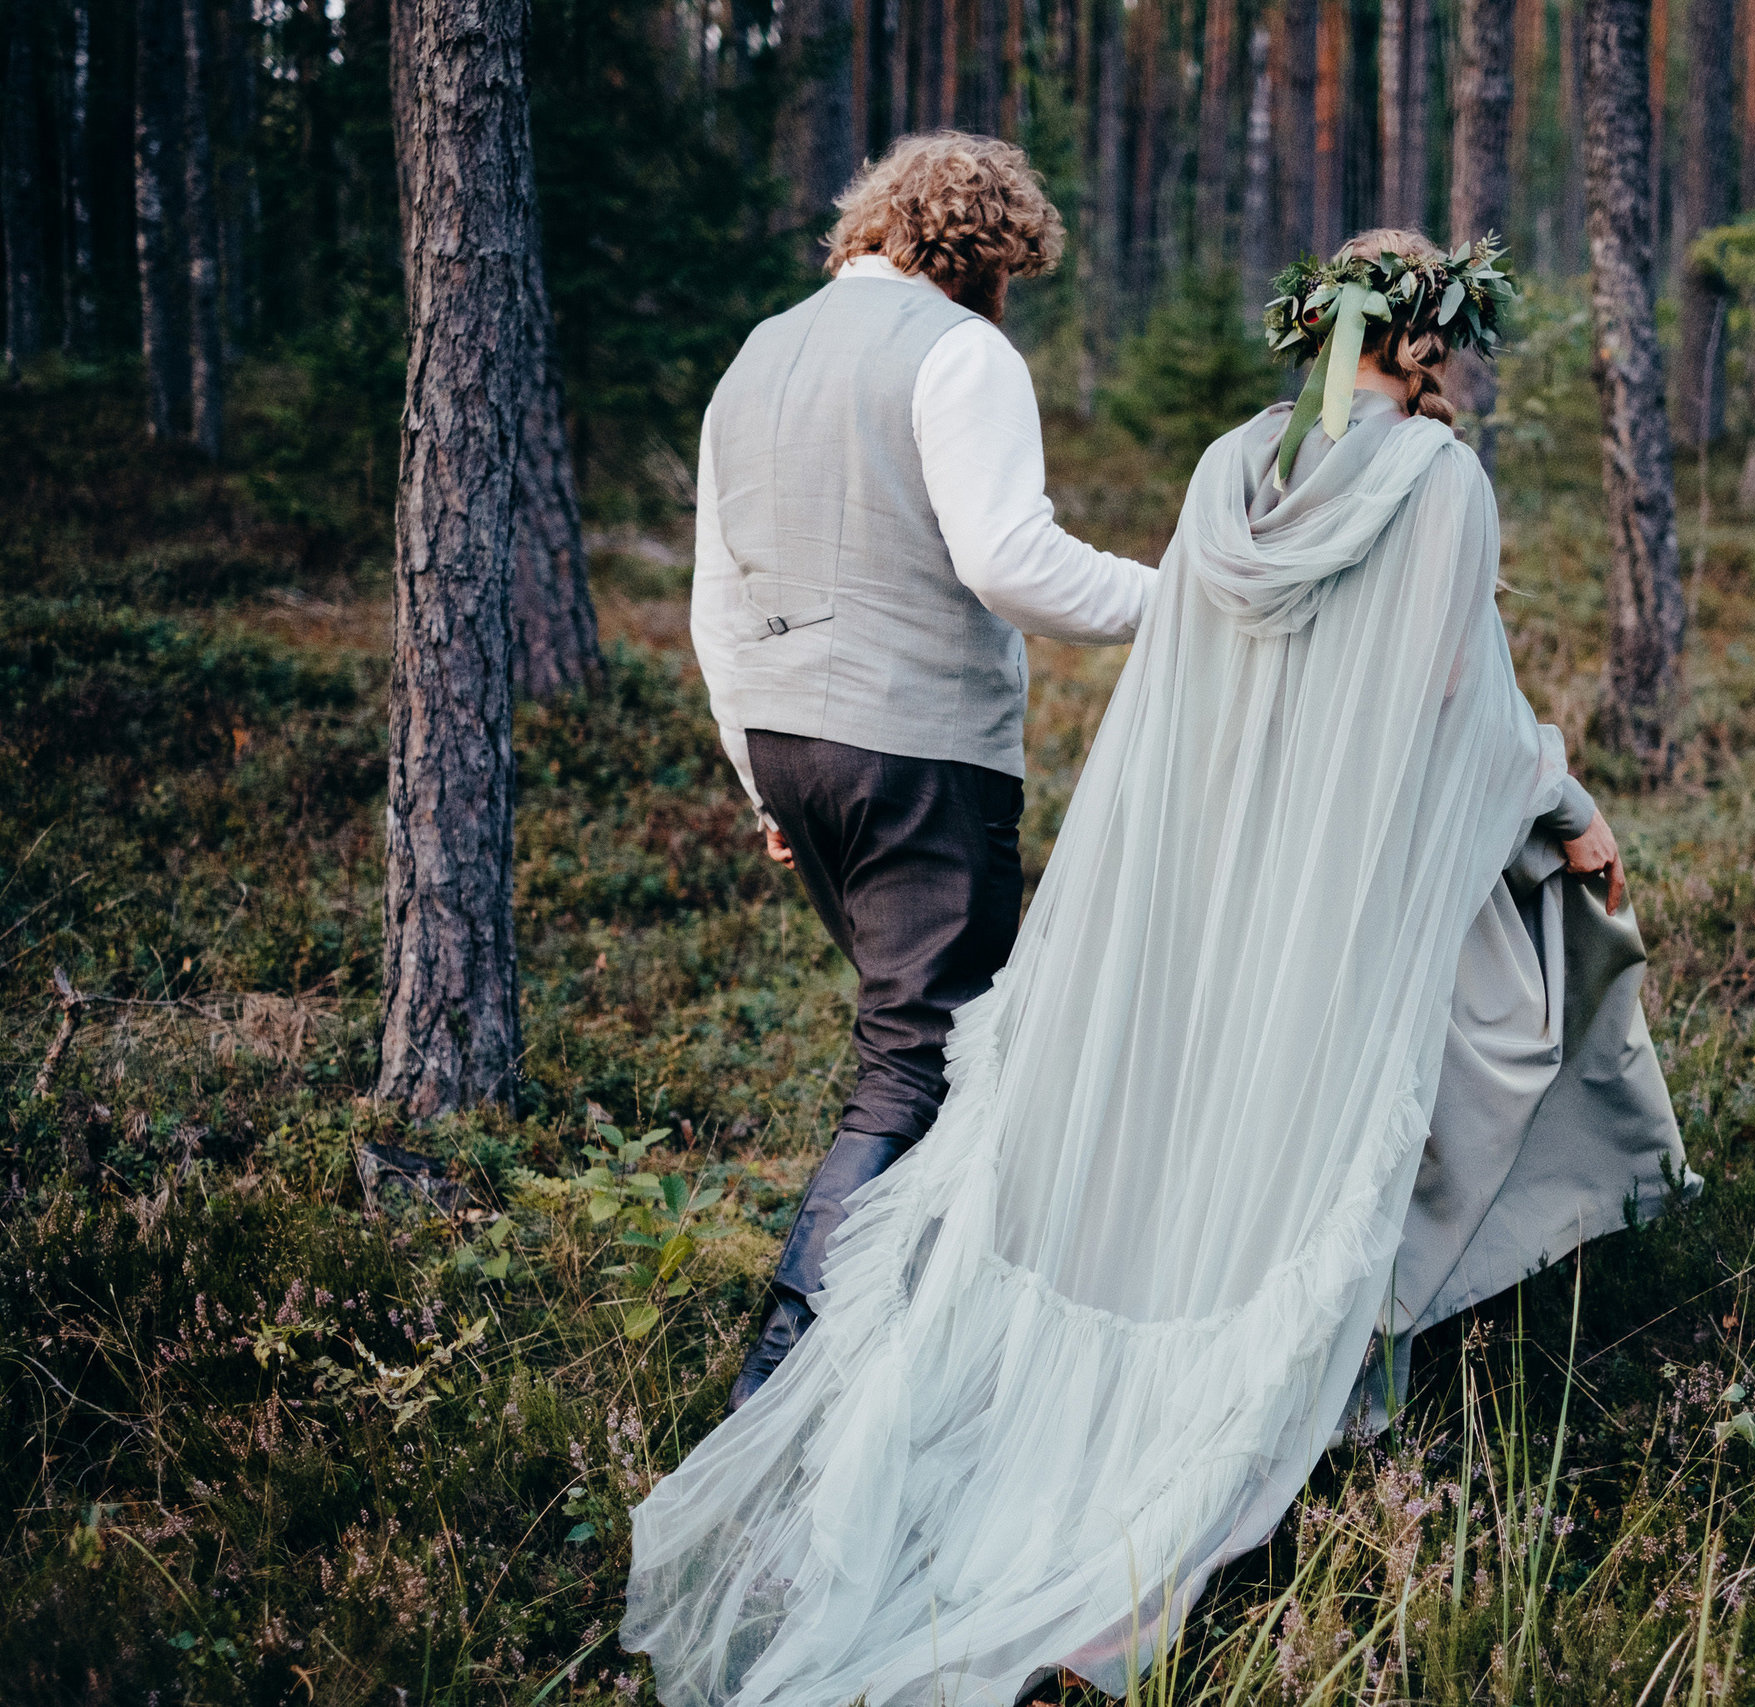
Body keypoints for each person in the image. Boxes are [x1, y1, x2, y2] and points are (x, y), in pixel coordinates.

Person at [629, 227, 1686, 1707]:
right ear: (1421, 339)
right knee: (1440, 1046)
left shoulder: (1223, 473)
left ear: (1310, 324)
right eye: (1446, 341)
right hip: (1349, 857)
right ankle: (1345, 1375)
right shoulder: (1441, 481)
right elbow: (1464, 691)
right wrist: (1570, 806)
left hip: (1213, 851)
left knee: (1211, 1112)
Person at [687, 132, 1157, 1411]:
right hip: (915, 751)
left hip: (789, 746)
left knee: (937, 1045)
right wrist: (1185, 604)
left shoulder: (757, 353)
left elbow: (712, 596)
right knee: (924, 1055)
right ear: (988, 254)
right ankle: (784, 1389)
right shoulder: (962, 350)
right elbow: (1012, 562)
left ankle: (928, 1352)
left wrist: (757, 780)